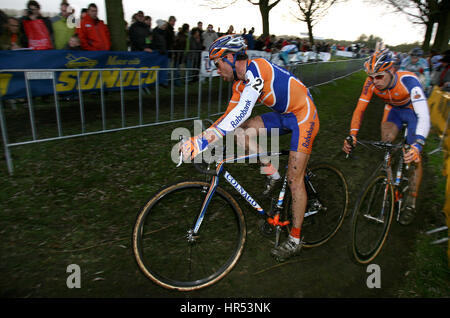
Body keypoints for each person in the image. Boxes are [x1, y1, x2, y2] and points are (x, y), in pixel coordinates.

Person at [179, 35, 320, 261]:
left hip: (304, 116)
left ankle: (294, 239)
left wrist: (203, 141)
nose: (217, 70)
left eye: (217, 64)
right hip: (283, 115)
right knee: (240, 131)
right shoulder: (239, 84)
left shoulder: (257, 70)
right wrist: (200, 138)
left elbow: (243, 112)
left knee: (295, 180)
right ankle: (272, 174)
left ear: (230, 58)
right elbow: (229, 118)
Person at [343, 49, 430, 225]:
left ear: (391, 71)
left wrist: (417, 145)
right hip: (393, 111)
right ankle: (389, 184)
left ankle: (410, 202)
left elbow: (424, 116)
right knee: (386, 144)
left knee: (413, 158)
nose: (375, 82)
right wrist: (352, 135)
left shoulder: (409, 81)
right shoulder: (371, 83)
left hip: (414, 113)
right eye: (371, 77)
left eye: (379, 77)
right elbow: (359, 110)